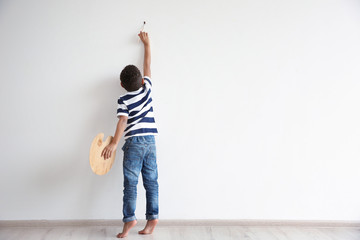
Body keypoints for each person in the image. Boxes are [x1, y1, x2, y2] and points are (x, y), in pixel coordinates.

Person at [101, 31, 159, 238]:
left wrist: (115, 143)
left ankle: (129, 221)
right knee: (151, 182)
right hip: (151, 141)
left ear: (122, 85)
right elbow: (148, 66)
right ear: (142, 81)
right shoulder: (148, 89)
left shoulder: (123, 100)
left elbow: (123, 121)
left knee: (130, 184)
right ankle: (152, 219)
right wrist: (147, 44)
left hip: (134, 143)